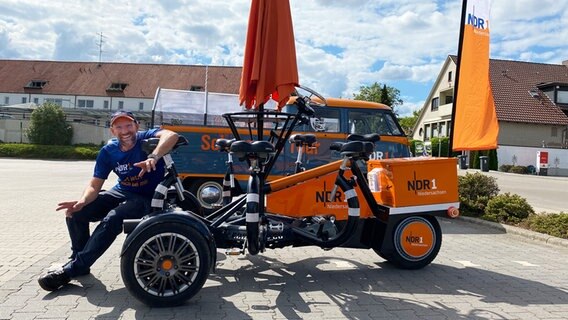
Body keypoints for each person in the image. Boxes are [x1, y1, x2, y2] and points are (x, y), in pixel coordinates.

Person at [38, 110, 179, 291]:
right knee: (75, 213)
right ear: (113, 131)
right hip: (122, 191)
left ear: (136, 126)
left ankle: (72, 269)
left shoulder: (146, 138)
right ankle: (78, 261)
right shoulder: (108, 151)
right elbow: (94, 186)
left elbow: (171, 135)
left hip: (146, 198)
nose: (125, 130)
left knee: (114, 217)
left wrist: (153, 156)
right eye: (119, 127)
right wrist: (82, 201)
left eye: (128, 125)